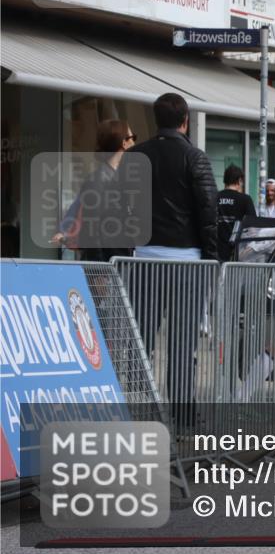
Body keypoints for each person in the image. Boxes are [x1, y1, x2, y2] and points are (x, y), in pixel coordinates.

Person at [118, 93, 217, 429]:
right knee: (182, 340)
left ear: (155, 118)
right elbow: (208, 211)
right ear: (185, 119)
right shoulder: (195, 157)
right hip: (187, 260)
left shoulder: (135, 156)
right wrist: (213, 258)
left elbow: (121, 209)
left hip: (143, 258)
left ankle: (135, 411)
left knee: (139, 338)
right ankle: (183, 415)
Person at [51, 119, 136, 261]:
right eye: (133, 138)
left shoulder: (118, 177)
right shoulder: (99, 180)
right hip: (106, 265)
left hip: (119, 259)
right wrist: (99, 271)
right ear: (124, 142)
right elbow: (92, 231)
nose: (134, 143)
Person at [216, 165, 257, 262]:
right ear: (239, 181)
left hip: (215, 253)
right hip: (237, 254)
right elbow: (253, 228)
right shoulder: (245, 199)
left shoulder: (215, 197)